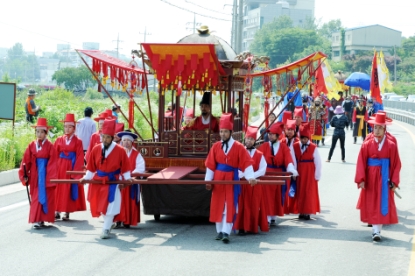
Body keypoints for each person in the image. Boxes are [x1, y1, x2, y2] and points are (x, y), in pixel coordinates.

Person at [205, 113, 256, 244]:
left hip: (232, 179)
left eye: (225, 131)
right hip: (218, 179)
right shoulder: (216, 146)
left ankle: (226, 232)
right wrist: (208, 180)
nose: (222, 134)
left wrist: (250, 177)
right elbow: (210, 165)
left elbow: (246, 163)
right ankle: (219, 231)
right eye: (221, 131)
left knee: (229, 205)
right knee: (218, 205)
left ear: (231, 132)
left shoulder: (239, 147)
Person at [80, 119, 132, 239]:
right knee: (100, 205)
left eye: (108, 137)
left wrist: (128, 179)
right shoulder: (96, 149)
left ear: (113, 137)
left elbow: (125, 166)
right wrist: (86, 178)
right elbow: (91, 167)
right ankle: (109, 224)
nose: (105, 140)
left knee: (111, 206)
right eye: (103, 137)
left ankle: (106, 229)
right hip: (98, 181)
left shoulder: (120, 150)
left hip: (113, 181)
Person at [354, 113, 401, 241]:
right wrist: (361, 179)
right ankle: (375, 229)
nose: (377, 130)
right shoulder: (367, 144)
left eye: (380, 127)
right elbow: (361, 162)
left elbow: (396, 164)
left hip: (384, 178)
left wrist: (394, 181)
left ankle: (377, 231)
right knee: (371, 202)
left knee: (381, 202)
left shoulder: (391, 145)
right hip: (370, 178)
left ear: (385, 129)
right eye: (375, 127)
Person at [18, 118, 58, 228]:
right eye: (37, 131)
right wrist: (24, 174)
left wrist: (50, 176)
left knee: (46, 195)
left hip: (45, 173)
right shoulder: (31, 145)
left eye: (41, 132)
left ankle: (43, 218)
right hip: (36, 174)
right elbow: (26, 161)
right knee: (35, 196)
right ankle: (36, 219)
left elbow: (53, 162)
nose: (39, 134)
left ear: (46, 133)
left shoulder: (50, 146)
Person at [258, 122, 298, 225]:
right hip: (266, 174)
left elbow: (288, 160)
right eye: (269, 134)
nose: (270, 136)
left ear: (277, 135)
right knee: (266, 196)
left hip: (279, 174)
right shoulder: (264, 146)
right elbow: (257, 159)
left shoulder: (284, 147)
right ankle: (266, 217)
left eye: (272, 134)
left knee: (277, 196)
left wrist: (292, 169)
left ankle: (273, 216)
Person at [235, 126, 268, 235]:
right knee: (241, 205)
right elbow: (235, 167)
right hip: (242, 183)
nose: (249, 141)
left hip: (254, 184)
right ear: (244, 139)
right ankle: (240, 227)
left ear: (255, 141)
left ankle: (251, 227)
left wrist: (252, 176)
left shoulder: (259, 155)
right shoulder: (239, 152)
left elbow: (263, 169)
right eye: (247, 138)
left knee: (253, 205)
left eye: (251, 139)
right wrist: (244, 175)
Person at [54, 114, 86, 220]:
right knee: (58, 188)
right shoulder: (59, 139)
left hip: (71, 167)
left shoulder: (78, 141)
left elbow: (80, 156)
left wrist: (76, 172)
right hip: (60, 166)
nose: (67, 129)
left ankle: (66, 212)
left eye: (69, 127)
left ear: (74, 128)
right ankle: (57, 210)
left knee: (68, 188)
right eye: (65, 126)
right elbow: (54, 154)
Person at [114, 130, 145, 228]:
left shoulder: (136, 154)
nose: (126, 142)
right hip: (119, 180)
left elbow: (141, 167)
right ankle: (118, 220)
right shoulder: (118, 153)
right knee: (118, 201)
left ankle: (127, 221)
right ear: (121, 142)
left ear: (132, 142)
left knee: (128, 201)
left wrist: (130, 175)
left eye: (128, 140)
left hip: (130, 181)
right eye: (124, 140)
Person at [293, 123, 322, 220]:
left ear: (308, 138)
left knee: (308, 191)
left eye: (305, 138)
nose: (303, 140)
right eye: (302, 138)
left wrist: (317, 175)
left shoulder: (313, 147)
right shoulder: (295, 146)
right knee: (300, 191)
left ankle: (308, 211)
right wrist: (294, 171)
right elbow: (293, 159)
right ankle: (301, 210)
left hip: (309, 171)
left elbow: (318, 162)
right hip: (299, 170)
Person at [280, 119, 299, 214]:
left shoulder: (298, 142)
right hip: (284, 167)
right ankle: (284, 208)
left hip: (296, 167)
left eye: (292, 129)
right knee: (285, 187)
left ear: (295, 130)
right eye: (288, 129)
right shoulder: (282, 141)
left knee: (295, 187)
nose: (290, 131)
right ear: (285, 130)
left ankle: (293, 208)